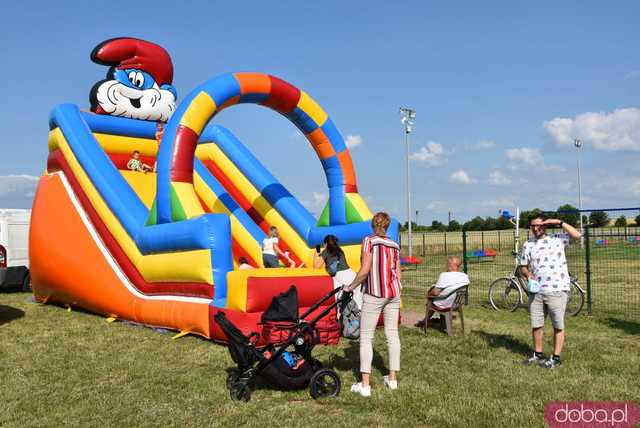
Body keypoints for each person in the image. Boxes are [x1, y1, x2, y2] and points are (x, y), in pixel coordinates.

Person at [343, 212, 401, 397]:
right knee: (392, 335)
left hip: (374, 293)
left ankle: (365, 385)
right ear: (387, 225)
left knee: (366, 337)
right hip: (393, 292)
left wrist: (350, 287)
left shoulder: (369, 241)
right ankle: (392, 380)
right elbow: (398, 271)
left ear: (372, 225)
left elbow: (364, 270)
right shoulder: (394, 244)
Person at [519, 215, 581, 369]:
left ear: (546, 225)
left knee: (558, 325)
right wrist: (528, 275)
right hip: (537, 290)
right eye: (533, 225)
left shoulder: (558, 239)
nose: (535, 228)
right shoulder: (528, 244)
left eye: (539, 225)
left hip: (557, 289)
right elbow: (523, 266)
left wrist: (559, 222)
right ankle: (537, 354)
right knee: (537, 323)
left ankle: (556, 357)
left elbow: (577, 236)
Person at [415, 256, 469, 328]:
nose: (448, 265)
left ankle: (425, 321)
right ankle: (440, 322)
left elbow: (435, 292)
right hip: (456, 303)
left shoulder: (444, 275)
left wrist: (428, 294)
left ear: (453, 265)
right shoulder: (464, 276)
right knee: (436, 297)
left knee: (431, 298)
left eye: (449, 263)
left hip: (444, 304)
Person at [313, 235, 361, 308]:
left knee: (342, 302)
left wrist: (316, 253)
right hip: (352, 274)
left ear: (325, 244)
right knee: (357, 301)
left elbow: (316, 266)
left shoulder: (326, 251)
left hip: (342, 276)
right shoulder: (340, 250)